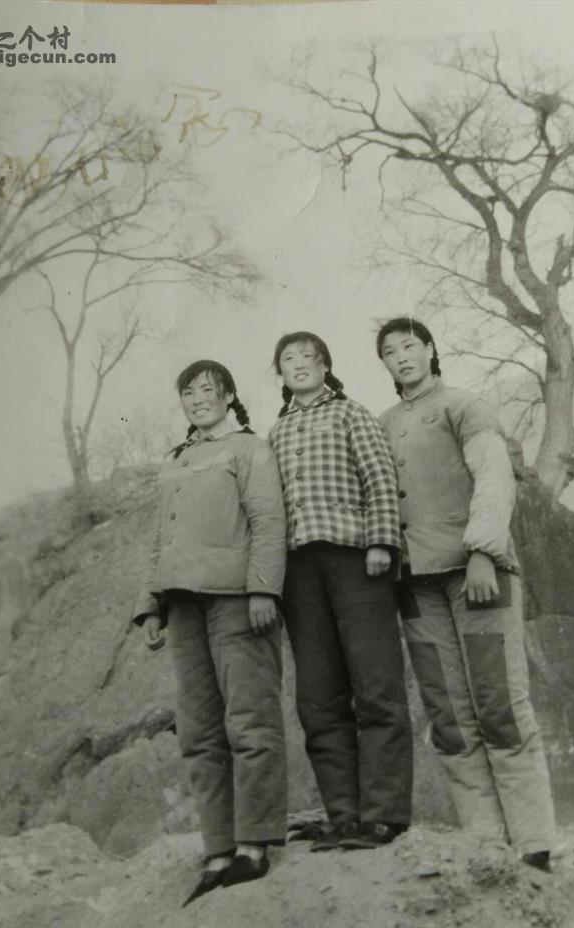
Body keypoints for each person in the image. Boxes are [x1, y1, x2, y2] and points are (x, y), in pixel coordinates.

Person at [376, 316, 557, 873]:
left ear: (431, 349)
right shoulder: (382, 424)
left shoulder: (464, 405)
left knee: (500, 703)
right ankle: (483, 846)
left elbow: (495, 478)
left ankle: (534, 847)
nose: (402, 357)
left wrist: (482, 551)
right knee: (449, 714)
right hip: (415, 585)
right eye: (390, 351)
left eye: (410, 345)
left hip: (478, 575)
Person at [133, 360, 288, 905]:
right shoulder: (175, 461)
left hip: (236, 600)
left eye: (207, 389)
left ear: (228, 395)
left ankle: (254, 843)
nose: (197, 399)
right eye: (188, 392)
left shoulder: (250, 449)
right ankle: (218, 849)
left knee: (250, 719)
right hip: (181, 605)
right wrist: (150, 605)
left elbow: (269, 522)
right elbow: (160, 539)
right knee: (199, 730)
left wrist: (264, 589)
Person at [269, 331, 413, 852]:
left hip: (356, 560)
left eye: (309, 357)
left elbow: (380, 480)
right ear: (280, 373)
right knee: (318, 695)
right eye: (288, 359)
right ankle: (344, 816)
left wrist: (380, 543)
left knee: (376, 686)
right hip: (298, 571)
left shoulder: (352, 415)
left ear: (326, 366)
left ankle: (384, 814)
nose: (299, 365)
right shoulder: (276, 432)